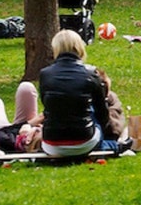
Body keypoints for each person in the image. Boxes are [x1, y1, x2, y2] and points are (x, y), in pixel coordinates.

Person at [39, 28, 113, 159]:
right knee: (91, 110)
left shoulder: (45, 74)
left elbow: (46, 105)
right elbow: (103, 115)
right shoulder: (91, 74)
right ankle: (113, 145)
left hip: (51, 142)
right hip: (83, 140)